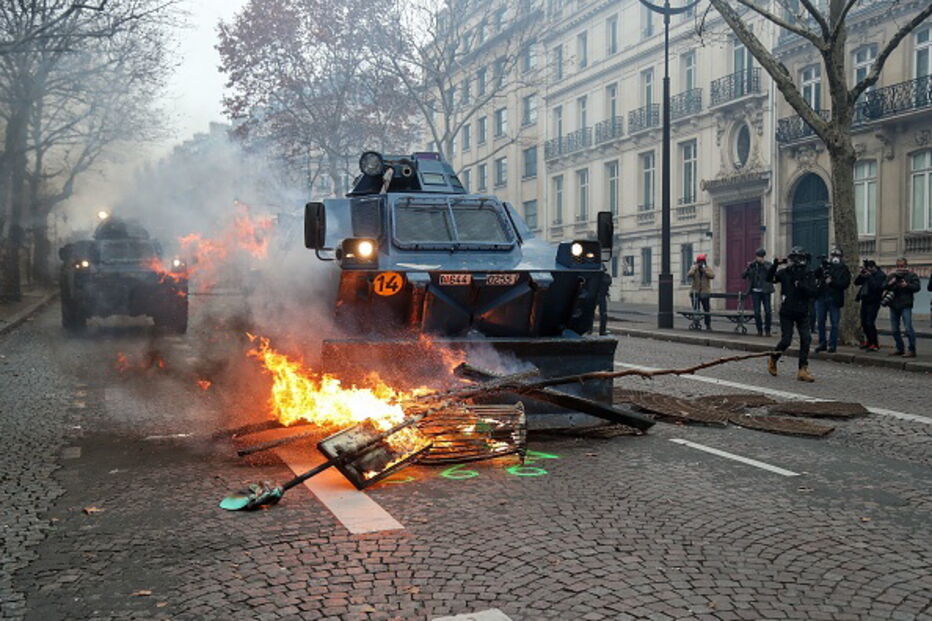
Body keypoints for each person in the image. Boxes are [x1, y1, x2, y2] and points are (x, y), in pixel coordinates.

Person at [767, 246, 819, 382]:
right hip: (787, 311)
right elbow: (769, 279)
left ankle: (802, 369)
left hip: (802, 311)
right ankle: (774, 358)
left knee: (806, 339)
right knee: (786, 340)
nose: (798, 262)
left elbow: (814, 292)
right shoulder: (785, 272)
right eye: (795, 259)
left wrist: (801, 286)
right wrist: (774, 265)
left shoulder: (808, 273)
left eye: (800, 259)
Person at [813, 247, 851, 353]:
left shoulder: (844, 269)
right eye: (833, 255)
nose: (835, 258)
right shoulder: (826, 266)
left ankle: (832, 345)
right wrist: (822, 266)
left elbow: (845, 284)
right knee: (820, 321)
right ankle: (822, 343)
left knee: (834, 323)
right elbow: (815, 275)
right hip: (822, 297)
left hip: (834, 298)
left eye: (837, 256)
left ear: (841, 257)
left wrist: (832, 282)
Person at [883, 257, 920, 358]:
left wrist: (906, 285)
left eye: (902, 266)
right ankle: (900, 348)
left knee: (908, 328)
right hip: (893, 305)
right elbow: (883, 286)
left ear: (906, 266)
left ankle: (912, 350)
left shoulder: (911, 275)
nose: (900, 268)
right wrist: (890, 283)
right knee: (894, 329)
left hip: (906, 305)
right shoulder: (892, 275)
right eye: (898, 266)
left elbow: (917, 287)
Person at [854, 259, 885, 352]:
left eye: (867, 268)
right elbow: (856, 282)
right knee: (864, 322)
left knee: (870, 322)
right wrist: (861, 275)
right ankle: (869, 341)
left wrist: (870, 276)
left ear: (873, 267)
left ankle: (874, 344)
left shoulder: (880, 275)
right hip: (865, 300)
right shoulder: (867, 274)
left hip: (874, 301)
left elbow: (876, 287)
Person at [742, 247, 773, 337]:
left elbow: (771, 273)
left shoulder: (768, 264)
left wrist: (763, 264)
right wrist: (748, 267)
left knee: (768, 311)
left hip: (766, 291)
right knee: (756, 312)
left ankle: (767, 330)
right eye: (758, 256)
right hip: (755, 291)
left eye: (761, 256)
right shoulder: (753, 266)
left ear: (763, 257)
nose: (759, 258)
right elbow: (743, 275)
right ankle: (759, 330)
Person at [687, 253, 715, 331]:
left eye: (702, 261)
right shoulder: (694, 268)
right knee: (696, 309)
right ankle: (696, 323)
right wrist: (694, 268)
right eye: (700, 261)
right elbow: (689, 274)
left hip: (705, 292)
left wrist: (704, 270)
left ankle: (708, 325)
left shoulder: (707, 268)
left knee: (706, 309)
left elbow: (712, 275)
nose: (701, 263)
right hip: (695, 292)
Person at [597, 269, 612, 335]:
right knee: (603, 314)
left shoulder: (604, 277)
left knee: (603, 314)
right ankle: (601, 330)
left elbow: (608, 281)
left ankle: (602, 330)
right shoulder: (602, 277)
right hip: (598, 296)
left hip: (600, 295)